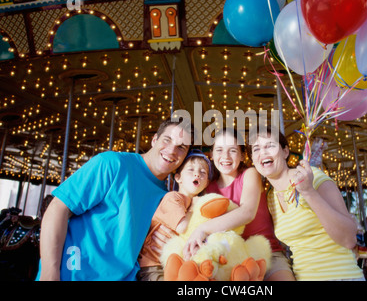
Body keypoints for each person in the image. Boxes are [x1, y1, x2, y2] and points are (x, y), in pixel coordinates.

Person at [37, 117, 193, 281]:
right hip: (73, 274)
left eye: (181, 147)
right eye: (167, 140)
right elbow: (58, 208)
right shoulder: (112, 163)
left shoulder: (166, 198)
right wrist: (50, 272)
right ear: (155, 140)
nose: (172, 150)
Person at [249, 126, 364, 281]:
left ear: (285, 152)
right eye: (256, 149)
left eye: (270, 145)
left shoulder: (313, 178)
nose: (263, 152)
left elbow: (349, 239)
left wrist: (309, 192)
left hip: (340, 276)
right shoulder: (271, 197)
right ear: (253, 160)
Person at [183, 128, 295, 281]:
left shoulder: (250, 174)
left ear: (242, 155)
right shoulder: (208, 188)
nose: (225, 156)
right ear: (212, 155)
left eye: (233, 151)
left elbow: (247, 212)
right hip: (230, 256)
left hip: (267, 253)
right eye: (220, 150)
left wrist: (202, 229)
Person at [137, 150, 213, 281]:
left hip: (176, 265)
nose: (197, 174)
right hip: (154, 266)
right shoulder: (173, 198)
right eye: (191, 169)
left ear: (206, 183)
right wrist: (194, 208)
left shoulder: (196, 204)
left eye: (203, 172)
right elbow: (183, 227)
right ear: (178, 178)